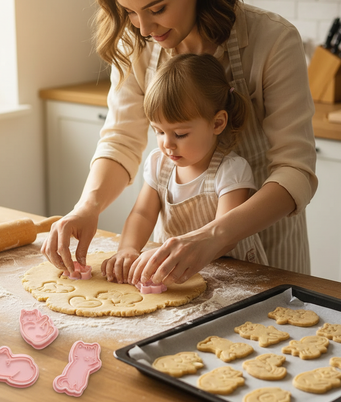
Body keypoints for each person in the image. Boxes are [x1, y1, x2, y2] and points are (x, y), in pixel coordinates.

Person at [41, 0, 317, 284]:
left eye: (157, 9)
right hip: (174, 260)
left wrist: (212, 236)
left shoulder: (272, 39)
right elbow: (121, 139)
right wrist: (88, 206)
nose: (144, 28)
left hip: (267, 248)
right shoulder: (135, 40)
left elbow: (295, 170)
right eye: (130, 12)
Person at [101, 53, 268, 285]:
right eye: (159, 131)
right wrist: (128, 248)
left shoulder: (231, 171)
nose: (167, 144)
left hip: (228, 278)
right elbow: (142, 213)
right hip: (173, 276)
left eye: (180, 134)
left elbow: (226, 237)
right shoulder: (158, 164)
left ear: (217, 123)